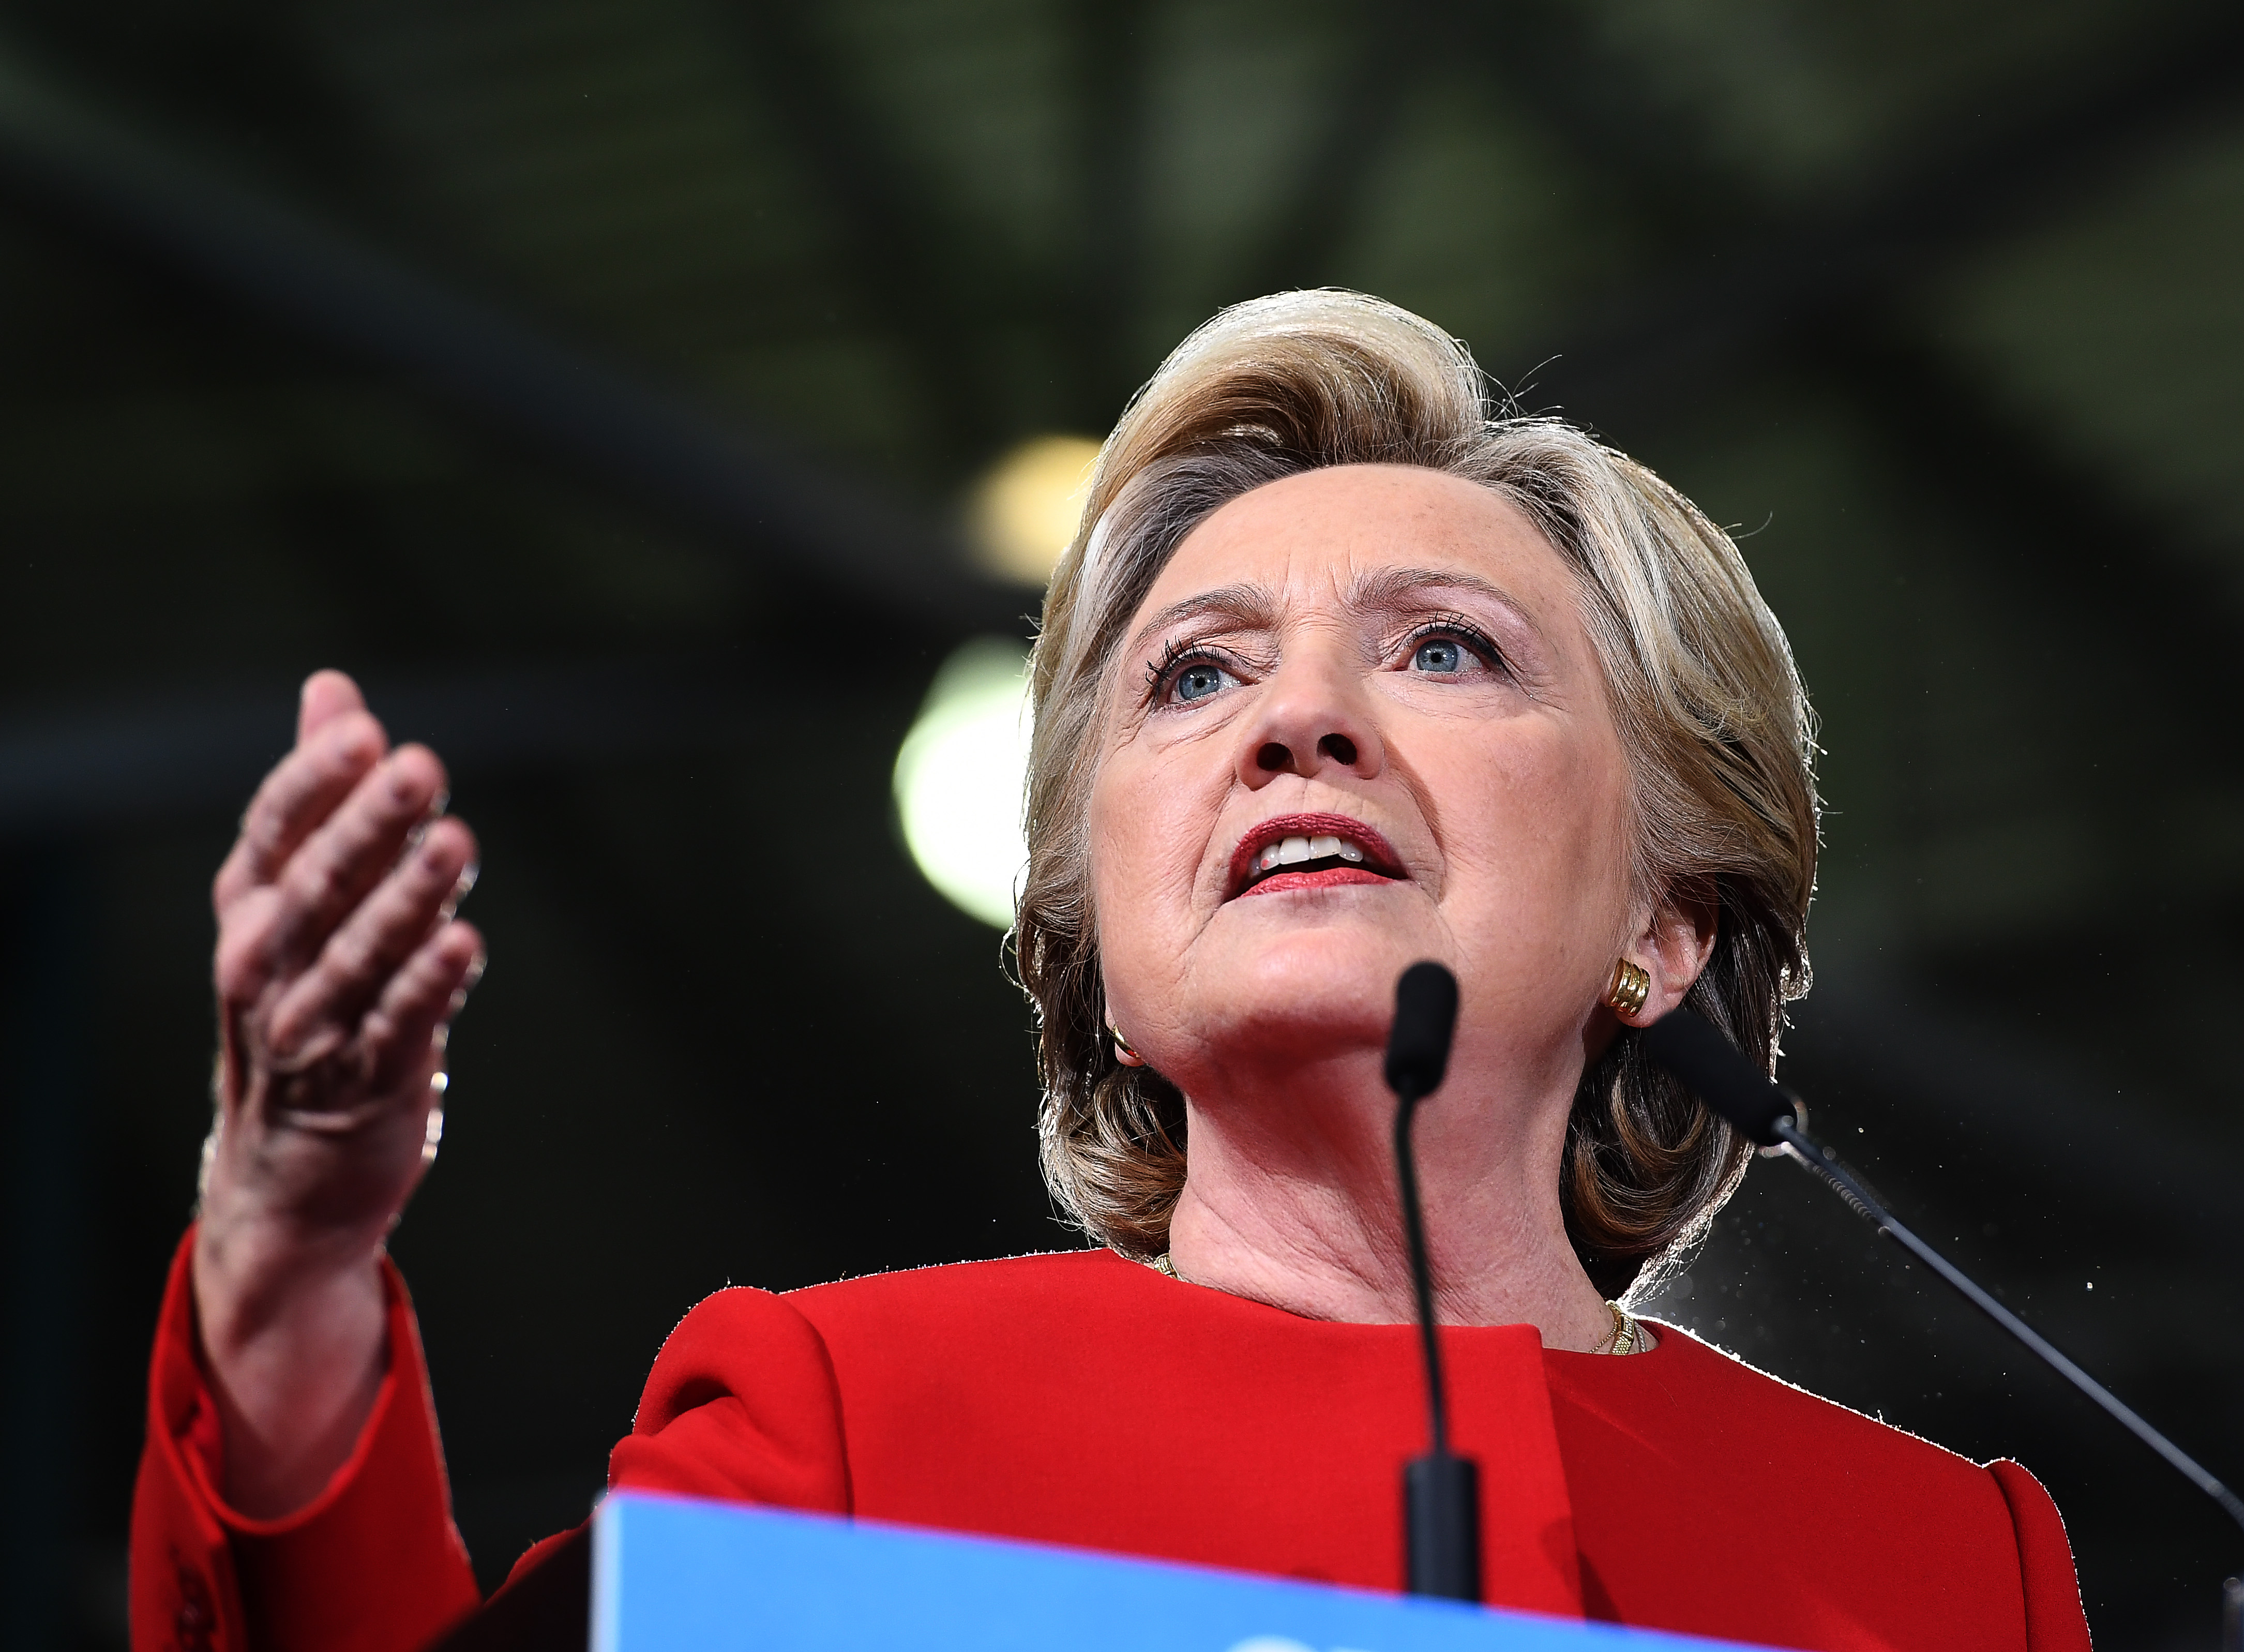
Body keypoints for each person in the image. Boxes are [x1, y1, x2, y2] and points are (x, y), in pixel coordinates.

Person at [131, 291, 2092, 1652]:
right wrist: (286, 1276)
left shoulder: (1951, 1568)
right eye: (1195, 675)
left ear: (1665, 924)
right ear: (1108, 957)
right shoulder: (854, 1432)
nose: (1296, 721)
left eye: (1443, 648)